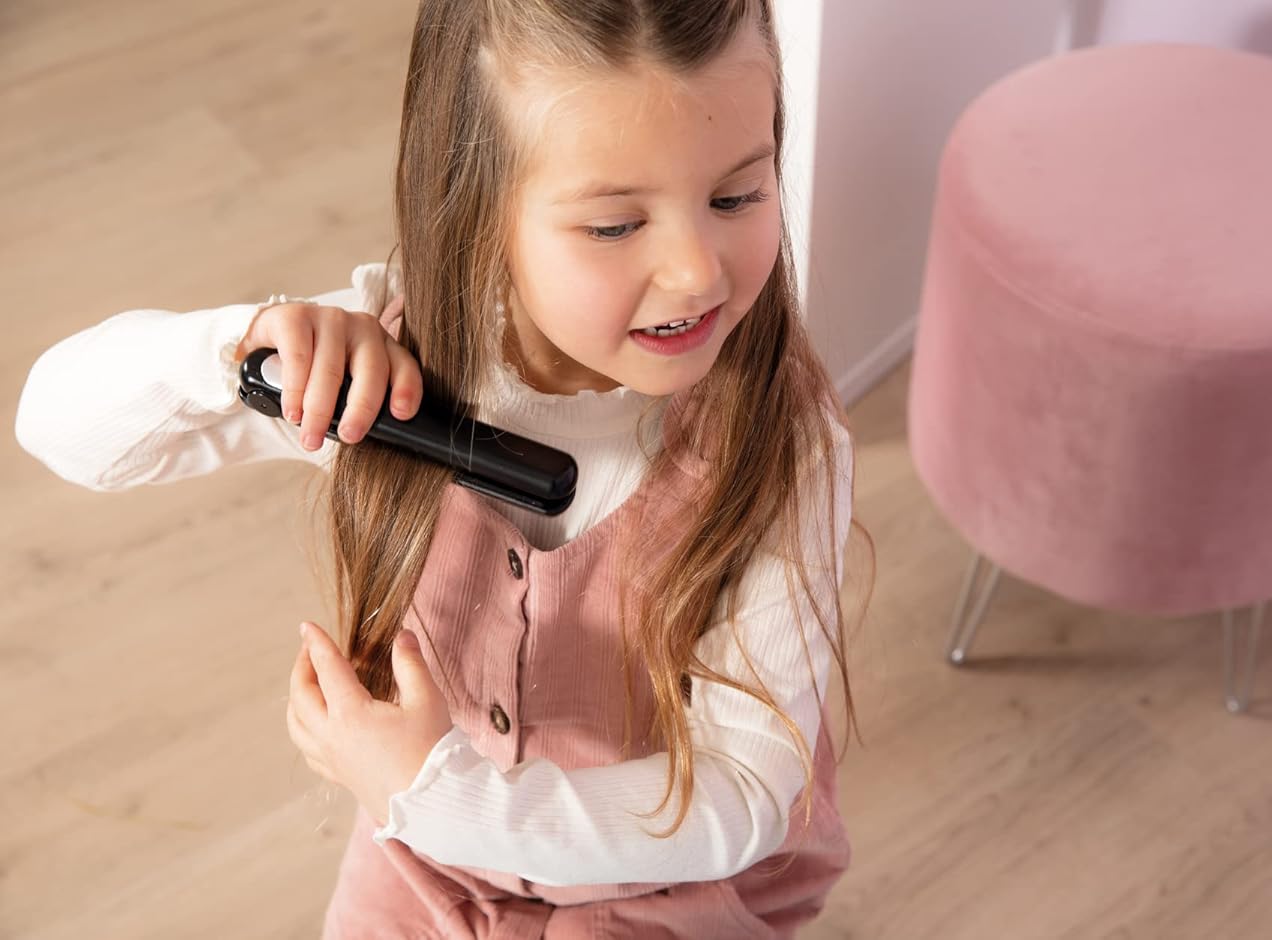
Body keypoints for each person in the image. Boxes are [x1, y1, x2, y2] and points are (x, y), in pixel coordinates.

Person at [14, 0, 874, 937]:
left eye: (736, 197)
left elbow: (743, 788)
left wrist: (451, 798)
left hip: (662, 874)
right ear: (477, 205)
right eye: (614, 225)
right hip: (422, 854)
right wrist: (236, 351)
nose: (697, 273)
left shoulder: (784, 444)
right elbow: (58, 428)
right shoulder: (384, 370)